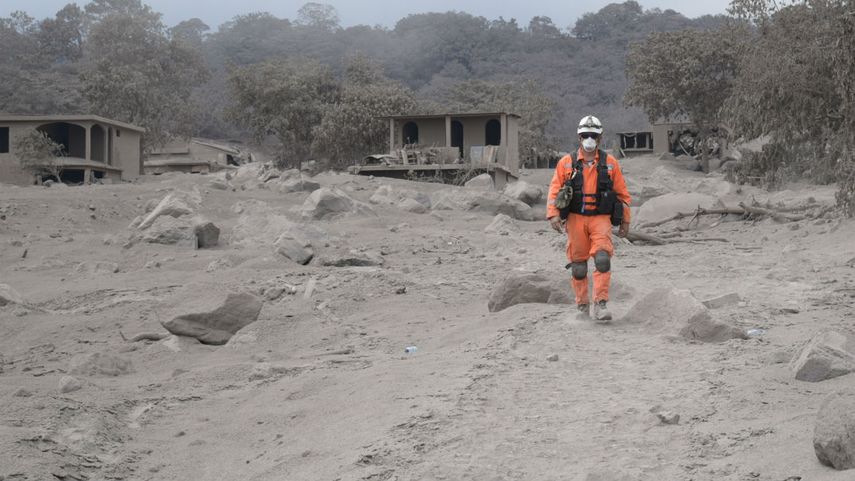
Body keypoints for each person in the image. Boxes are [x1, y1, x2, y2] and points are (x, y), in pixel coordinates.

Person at [546, 115, 632, 322]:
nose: (589, 139)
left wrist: (625, 221)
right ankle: (582, 306)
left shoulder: (610, 164)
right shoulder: (567, 163)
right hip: (575, 219)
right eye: (586, 135)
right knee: (578, 266)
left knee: (602, 260)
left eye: (593, 135)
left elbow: (622, 194)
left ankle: (601, 304)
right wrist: (553, 214)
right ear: (579, 137)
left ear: (600, 138)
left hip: (600, 218)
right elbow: (554, 189)